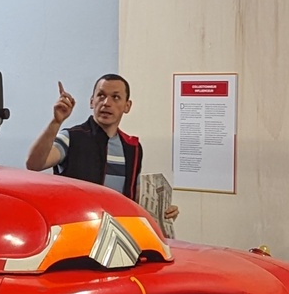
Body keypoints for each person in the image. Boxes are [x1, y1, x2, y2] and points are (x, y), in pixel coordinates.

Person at [26, 75, 178, 221]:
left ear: (127, 106)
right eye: (101, 95)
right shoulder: (71, 137)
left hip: (118, 230)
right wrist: (56, 122)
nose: (106, 103)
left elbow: (136, 199)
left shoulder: (132, 147)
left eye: (115, 97)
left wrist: (163, 212)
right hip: (76, 226)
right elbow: (35, 164)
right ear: (92, 101)